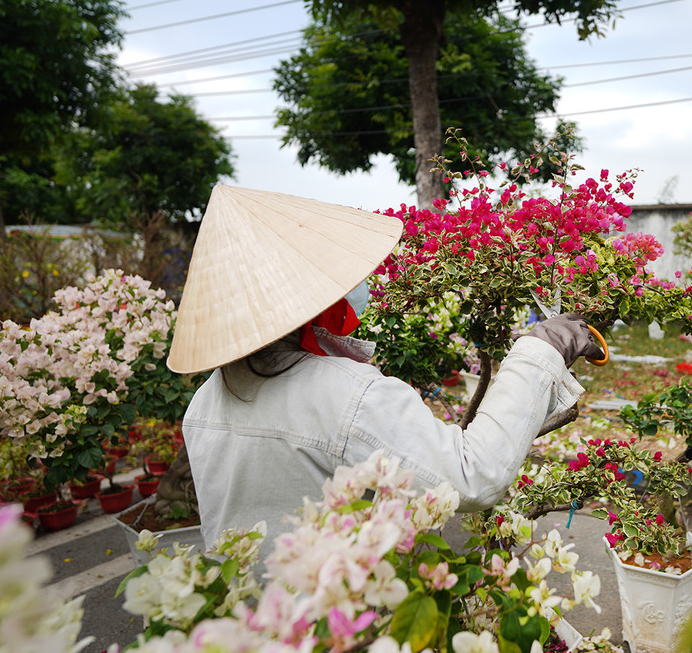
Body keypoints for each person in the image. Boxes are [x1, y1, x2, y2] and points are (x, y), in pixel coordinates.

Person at [167, 185, 604, 547]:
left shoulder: (204, 403)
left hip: (238, 620)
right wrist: (540, 349)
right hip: (334, 621)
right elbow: (474, 474)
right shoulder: (347, 396)